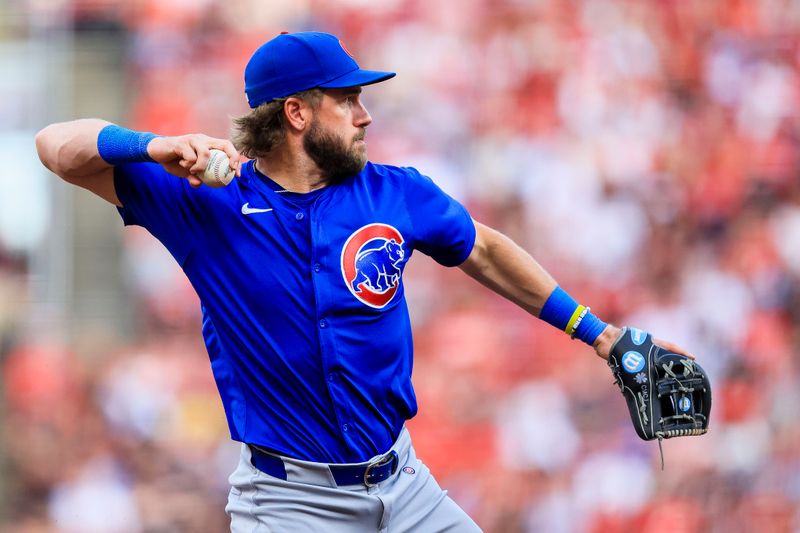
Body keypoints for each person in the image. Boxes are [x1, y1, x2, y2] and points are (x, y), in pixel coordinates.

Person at [36, 31, 693, 532]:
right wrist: (150, 145)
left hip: (403, 485)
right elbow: (55, 146)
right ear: (296, 113)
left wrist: (601, 335)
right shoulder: (207, 203)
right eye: (347, 99)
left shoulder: (394, 193)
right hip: (289, 503)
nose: (364, 114)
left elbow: (484, 251)